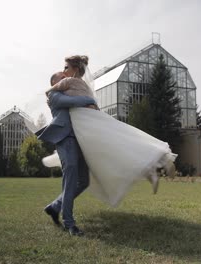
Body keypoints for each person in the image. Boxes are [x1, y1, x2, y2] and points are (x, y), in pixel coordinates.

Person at [42, 55, 177, 208]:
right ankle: (153, 164)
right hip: (91, 120)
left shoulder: (67, 82)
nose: (63, 71)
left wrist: (50, 94)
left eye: (66, 68)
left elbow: (52, 93)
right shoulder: (84, 86)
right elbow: (90, 103)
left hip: (84, 123)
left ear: (75, 70)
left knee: (111, 153)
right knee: (120, 145)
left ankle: (151, 167)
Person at [35, 61, 97, 236]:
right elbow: (75, 101)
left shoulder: (69, 89)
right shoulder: (54, 96)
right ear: (54, 82)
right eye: (61, 77)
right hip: (65, 139)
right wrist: (91, 99)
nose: (65, 77)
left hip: (80, 140)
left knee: (84, 181)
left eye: (66, 75)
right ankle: (70, 224)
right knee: (70, 173)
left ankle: (55, 207)